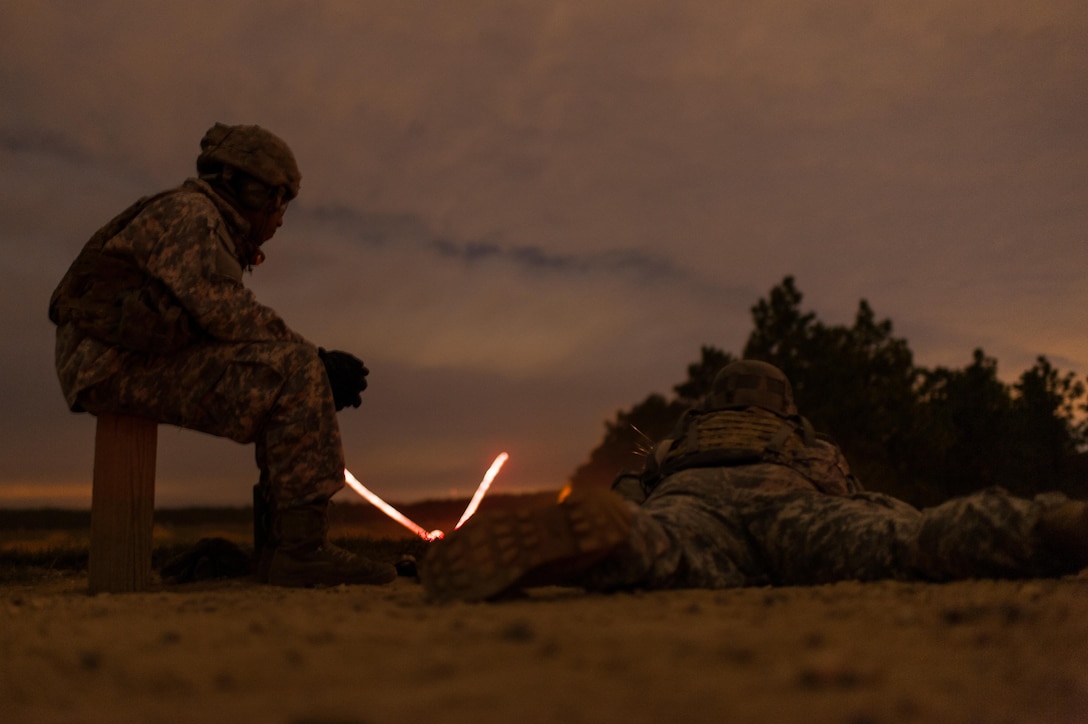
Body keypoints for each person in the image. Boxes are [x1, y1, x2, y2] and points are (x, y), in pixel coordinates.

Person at [49, 122, 396, 588]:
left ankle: (283, 547)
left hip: (115, 358)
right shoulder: (193, 215)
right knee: (295, 373)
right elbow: (223, 311)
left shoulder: (194, 216)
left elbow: (208, 317)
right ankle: (300, 550)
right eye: (279, 200)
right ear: (253, 192)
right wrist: (316, 357)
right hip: (111, 364)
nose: (280, 218)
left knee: (290, 367)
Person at [421, 360, 1088, 601]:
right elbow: (842, 493)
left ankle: (615, 550)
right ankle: (1042, 526)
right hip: (785, 504)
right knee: (904, 542)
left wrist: (630, 512)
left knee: (660, 547)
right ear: (783, 405)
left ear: (711, 403)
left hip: (689, 502)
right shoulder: (803, 440)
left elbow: (630, 491)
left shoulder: (679, 442)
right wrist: (887, 513)